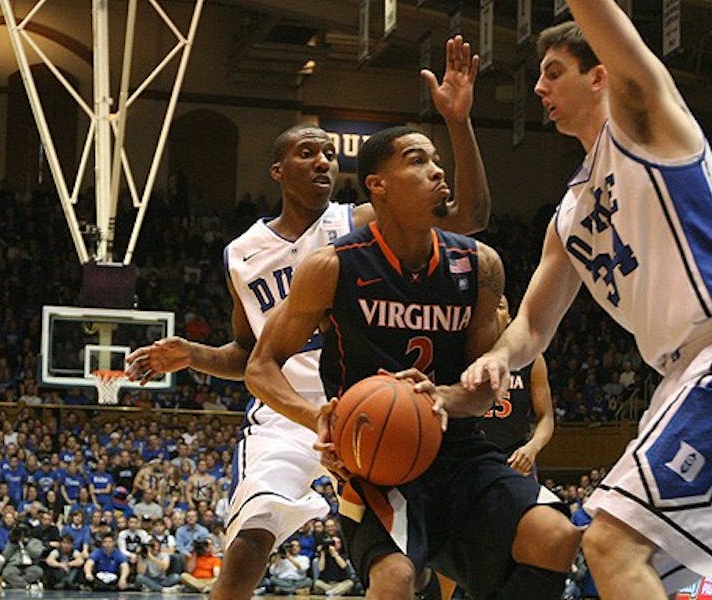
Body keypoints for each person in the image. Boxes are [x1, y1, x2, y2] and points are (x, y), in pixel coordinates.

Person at [126, 35, 491, 600]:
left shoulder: (361, 220)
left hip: (370, 403)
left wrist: (459, 124)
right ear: (277, 170)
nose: (323, 160)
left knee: (417, 562)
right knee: (249, 541)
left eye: (328, 152)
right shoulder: (242, 254)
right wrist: (192, 355)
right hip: (288, 415)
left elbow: (465, 217)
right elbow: (251, 357)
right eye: (307, 152)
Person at [460, 1, 712, 594]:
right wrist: (498, 356)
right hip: (682, 375)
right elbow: (532, 329)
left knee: (609, 543)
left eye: (552, 70)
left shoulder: (647, 122)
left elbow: (604, 22)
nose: (538, 86)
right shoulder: (567, 213)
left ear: (600, 75)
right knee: (604, 562)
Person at [245, 125, 580, 600]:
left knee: (556, 535)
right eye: (418, 160)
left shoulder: (479, 265)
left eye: (436, 160)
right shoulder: (332, 266)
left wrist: (438, 398)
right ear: (378, 184)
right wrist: (320, 416)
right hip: (378, 463)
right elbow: (260, 366)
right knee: (396, 578)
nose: (437, 170)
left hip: (460, 452)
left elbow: (487, 388)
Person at [477, 295, 555, 477]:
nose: (495, 312)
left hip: (514, 457)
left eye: (500, 307)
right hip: (473, 457)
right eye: (489, 308)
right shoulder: (463, 353)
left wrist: (532, 447)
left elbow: (546, 417)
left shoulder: (531, 359)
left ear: (510, 318)